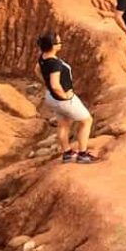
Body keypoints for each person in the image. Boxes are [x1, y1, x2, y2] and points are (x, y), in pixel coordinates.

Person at [37, 33, 99, 164]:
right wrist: (64, 96)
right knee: (86, 121)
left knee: (64, 124)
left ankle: (67, 153)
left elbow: (37, 70)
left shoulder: (43, 58)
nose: (61, 44)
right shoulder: (54, 64)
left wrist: (46, 83)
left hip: (52, 98)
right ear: (52, 46)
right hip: (64, 99)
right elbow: (55, 84)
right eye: (59, 42)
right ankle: (82, 154)